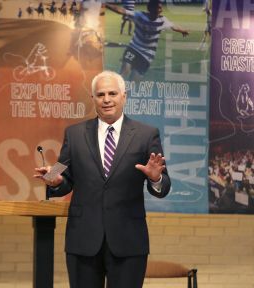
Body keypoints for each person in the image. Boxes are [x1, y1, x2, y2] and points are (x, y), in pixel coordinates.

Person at [34, 70, 171, 288]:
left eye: (112, 93)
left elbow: (163, 187)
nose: (106, 99)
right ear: (93, 99)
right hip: (83, 239)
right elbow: (63, 173)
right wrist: (54, 180)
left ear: (124, 96)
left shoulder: (147, 135)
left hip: (128, 241)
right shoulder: (74, 134)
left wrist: (156, 179)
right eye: (100, 95)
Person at [106, 0, 189, 81]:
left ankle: (128, 94)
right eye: (158, 8)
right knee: (124, 71)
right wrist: (106, 4)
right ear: (151, 8)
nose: (161, 10)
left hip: (147, 54)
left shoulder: (162, 21)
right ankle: (114, 89)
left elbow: (173, 26)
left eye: (161, 8)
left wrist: (183, 30)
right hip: (134, 48)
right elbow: (122, 11)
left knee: (134, 80)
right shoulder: (139, 15)